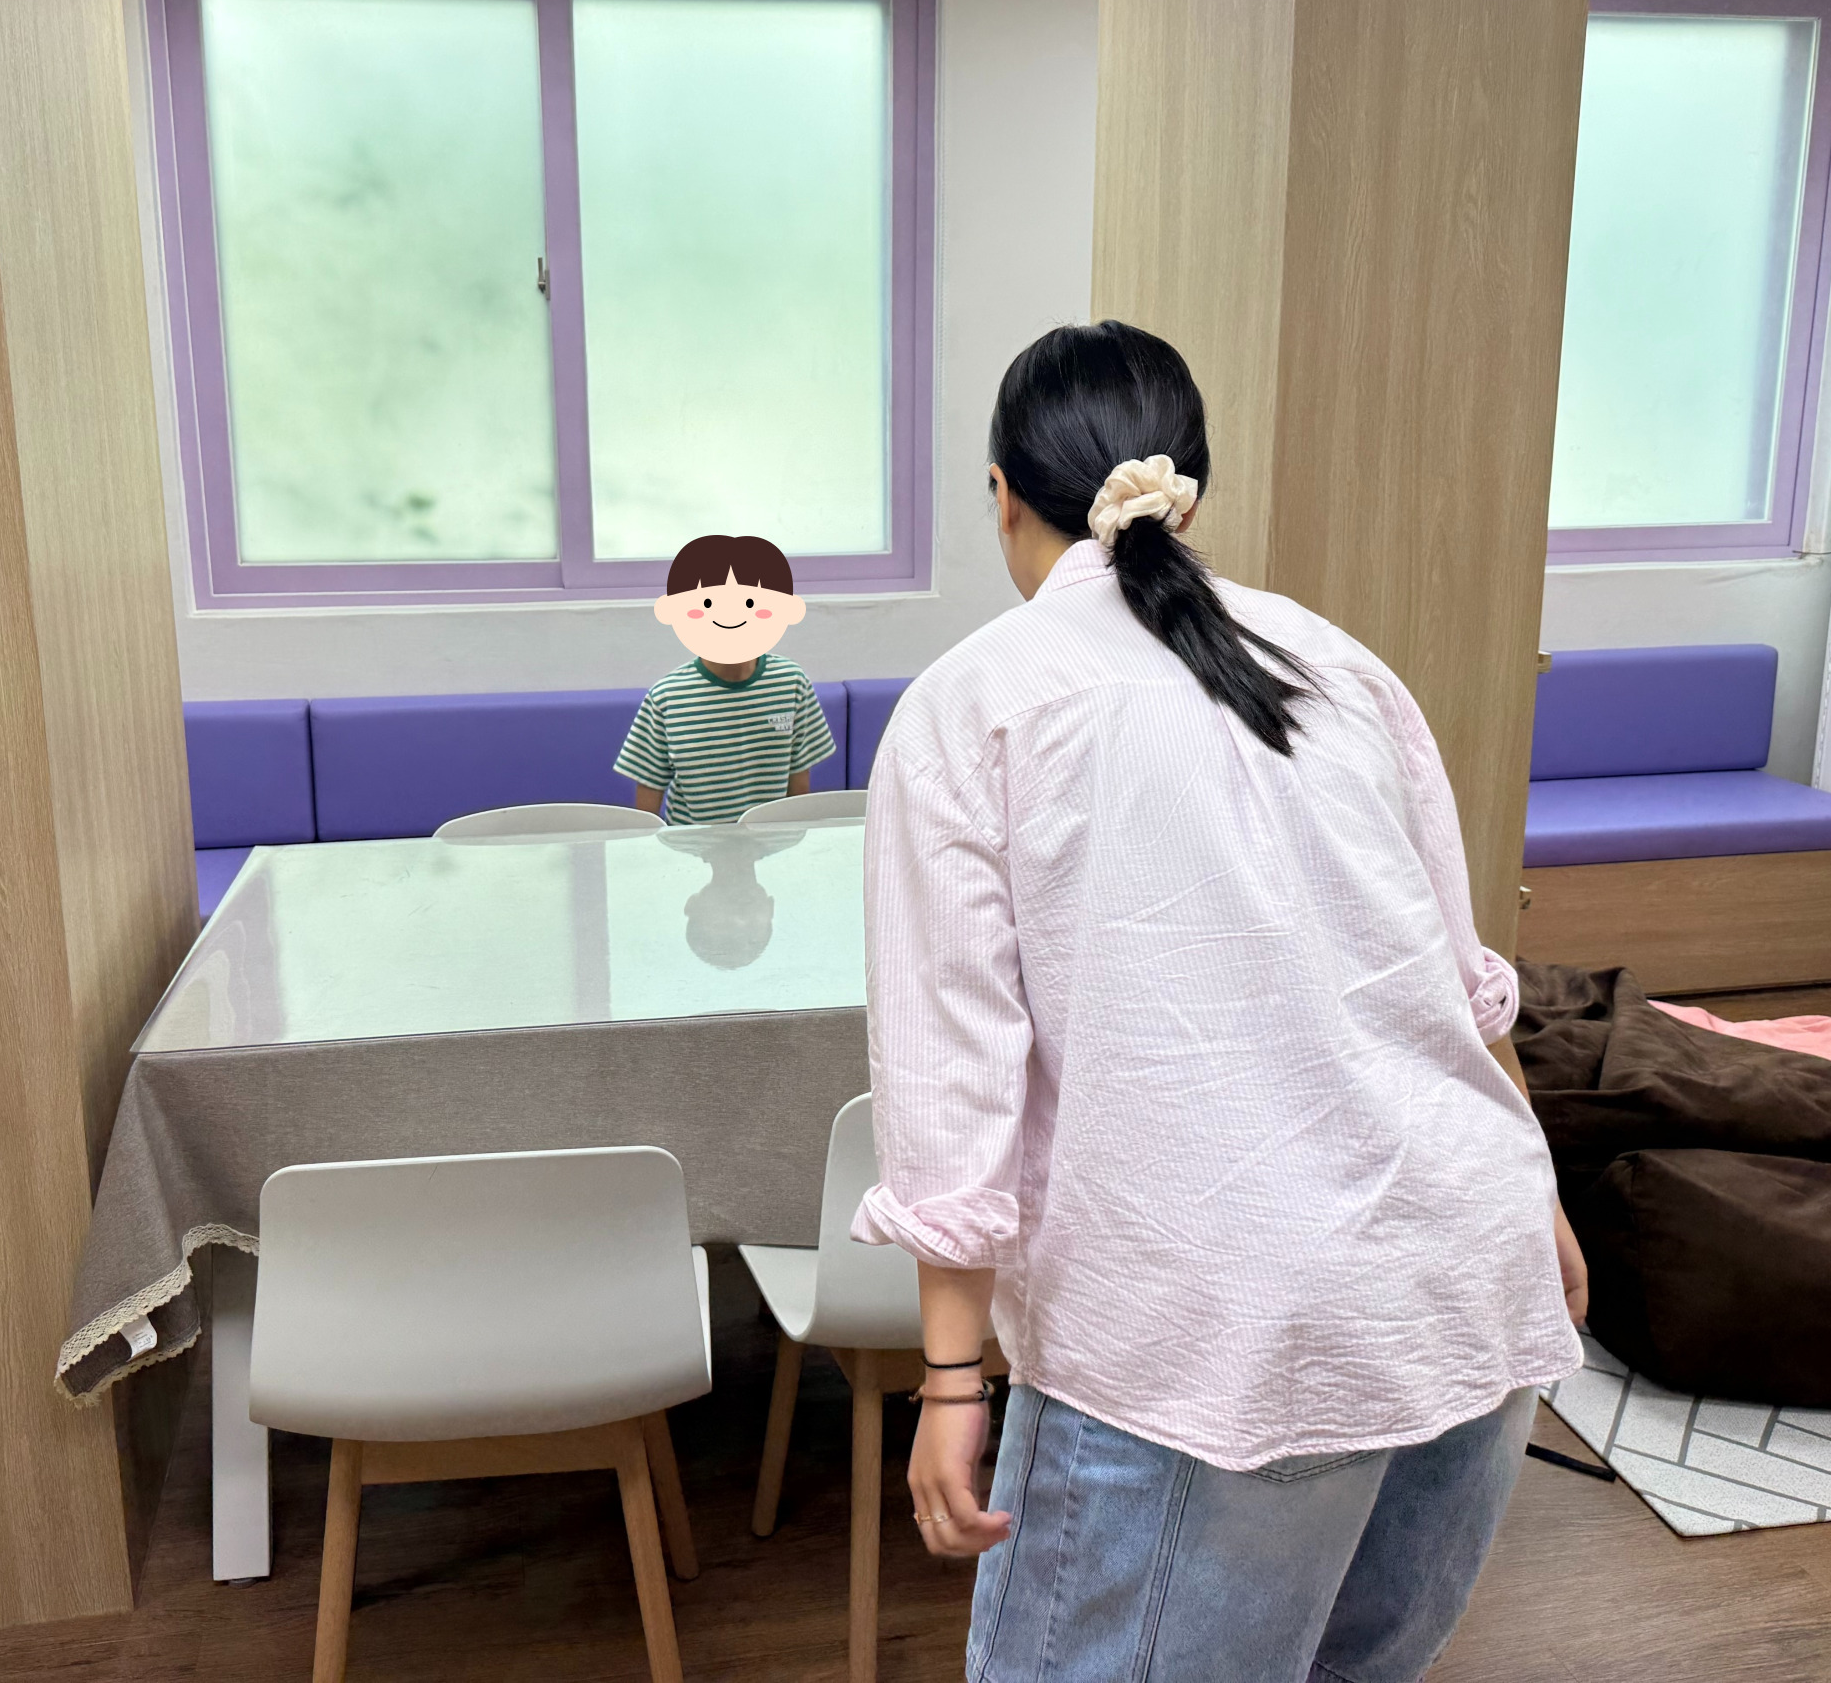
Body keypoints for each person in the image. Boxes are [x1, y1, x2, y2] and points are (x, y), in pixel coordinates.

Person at [854, 322, 1588, 1683]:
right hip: (1465, 1273)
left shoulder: (976, 703)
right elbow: (1459, 981)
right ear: (1189, 491)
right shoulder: (1337, 662)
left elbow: (953, 1079)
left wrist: (950, 1378)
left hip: (1212, 1323)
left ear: (1001, 493)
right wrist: (1531, 1193)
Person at [617, 532, 837, 825]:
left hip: (771, 843)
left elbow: (798, 786)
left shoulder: (792, 683)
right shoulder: (666, 697)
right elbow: (649, 792)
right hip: (693, 847)